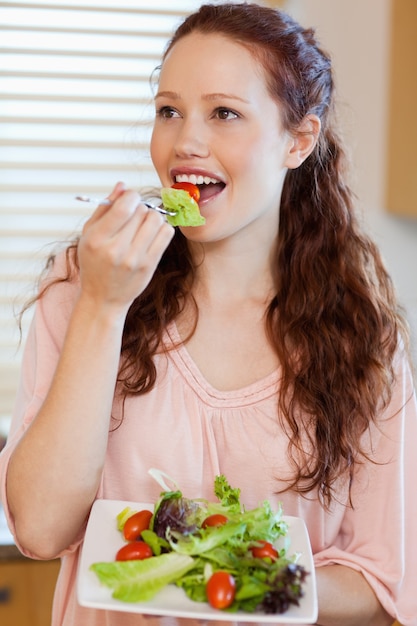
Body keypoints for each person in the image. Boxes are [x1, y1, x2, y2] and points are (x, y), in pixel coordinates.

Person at [0, 2, 416, 625]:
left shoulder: (362, 341)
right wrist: (103, 306)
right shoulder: (84, 290)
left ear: (298, 140)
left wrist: (235, 571)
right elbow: (38, 528)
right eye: (170, 111)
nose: (185, 142)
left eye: (224, 113)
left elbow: (387, 589)